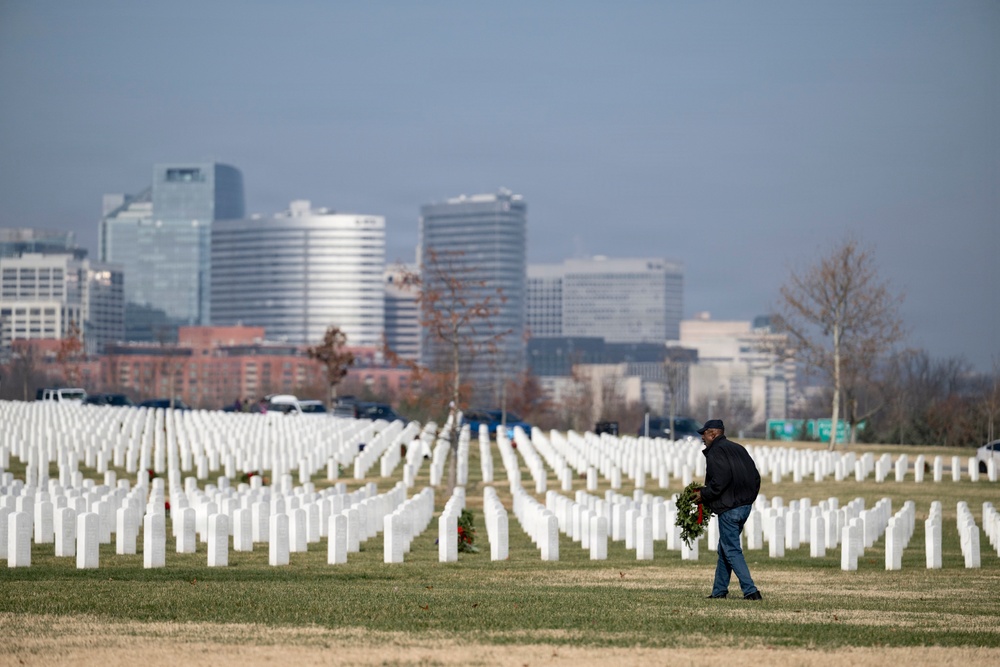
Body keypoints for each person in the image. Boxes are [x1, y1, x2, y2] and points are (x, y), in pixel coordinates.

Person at [693, 418, 763, 601]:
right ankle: (719, 591)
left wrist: (703, 494)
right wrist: (748, 499)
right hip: (744, 506)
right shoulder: (739, 449)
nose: (702, 437)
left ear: (714, 434)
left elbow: (719, 482)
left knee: (731, 549)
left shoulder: (716, 451)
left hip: (730, 508)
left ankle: (751, 591)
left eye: (704, 433)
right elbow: (755, 477)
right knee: (724, 548)